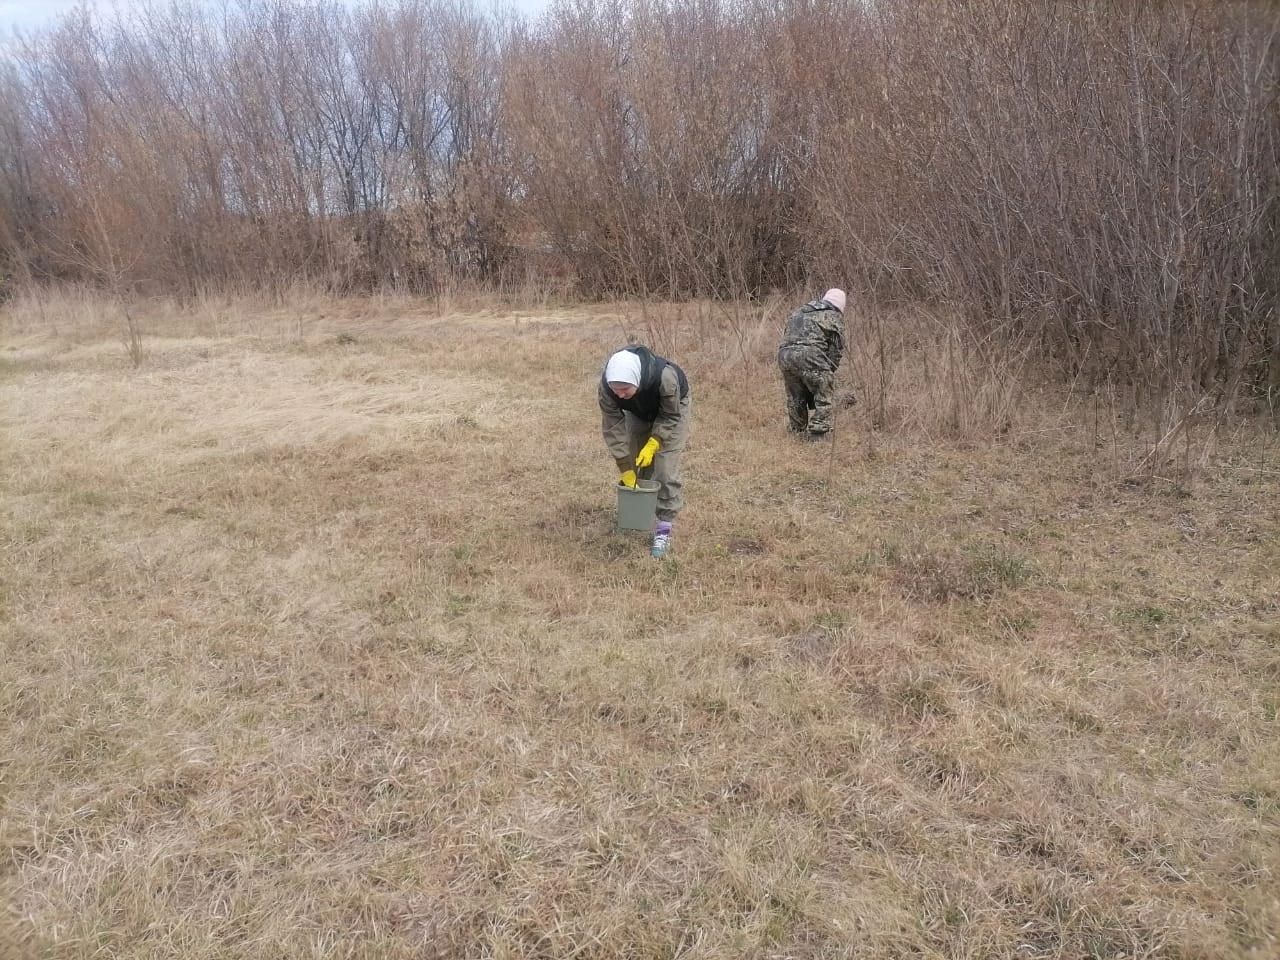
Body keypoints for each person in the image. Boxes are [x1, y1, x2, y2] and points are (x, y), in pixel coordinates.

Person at [599, 345, 691, 559]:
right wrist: (624, 466)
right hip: (639, 411)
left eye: (625, 389)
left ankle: (664, 526)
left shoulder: (666, 378)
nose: (620, 394)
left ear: (637, 381)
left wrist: (654, 442)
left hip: (673, 410)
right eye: (616, 390)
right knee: (636, 463)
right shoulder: (606, 387)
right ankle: (638, 517)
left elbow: (670, 416)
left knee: (665, 469)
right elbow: (613, 426)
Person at [777, 288, 847, 439]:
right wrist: (828, 371)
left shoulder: (800, 311)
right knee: (824, 392)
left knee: (796, 395)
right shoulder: (833, 316)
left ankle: (797, 431)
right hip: (809, 355)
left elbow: (787, 335)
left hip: (784, 355)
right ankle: (818, 434)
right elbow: (837, 350)